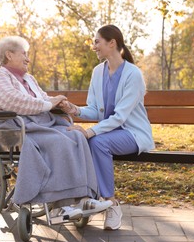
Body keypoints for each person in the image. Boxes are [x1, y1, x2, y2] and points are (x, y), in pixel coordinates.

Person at [0, 35, 112, 220]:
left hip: (35, 125)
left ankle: (84, 198)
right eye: (24, 54)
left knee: (76, 136)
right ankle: (60, 208)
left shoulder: (29, 79)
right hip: (9, 130)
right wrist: (48, 104)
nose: (28, 58)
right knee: (57, 141)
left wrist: (59, 103)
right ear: (9, 55)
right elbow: (13, 101)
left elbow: (43, 99)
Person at [60, 25, 155, 230]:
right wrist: (74, 109)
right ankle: (88, 199)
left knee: (96, 141)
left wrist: (90, 131)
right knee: (86, 140)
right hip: (110, 133)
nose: (94, 47)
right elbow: (95, 109)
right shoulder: (98, 72)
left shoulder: (133, 74)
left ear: (111, 43)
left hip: (133, 133)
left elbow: (120, 117)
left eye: (97, 42)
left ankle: (111, 204)